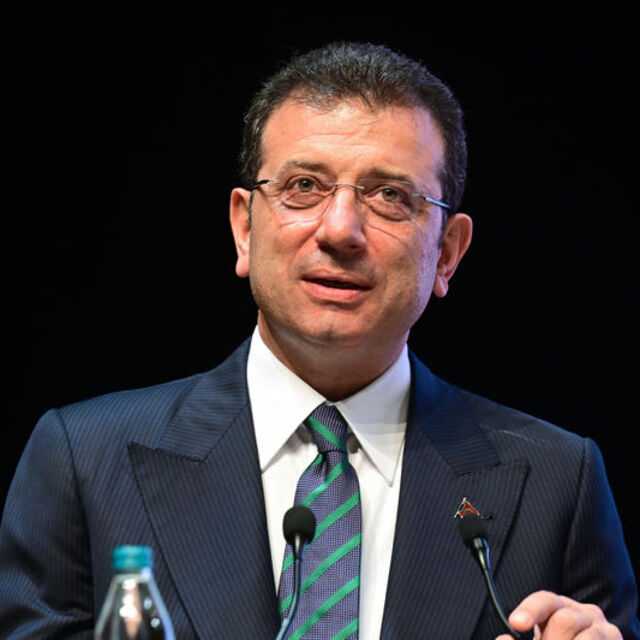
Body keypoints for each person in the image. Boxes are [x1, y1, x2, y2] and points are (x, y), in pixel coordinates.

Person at [0, 42, 637, 639]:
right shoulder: (85, 462)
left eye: (389, 196)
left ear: (447, 253)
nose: (340, 230)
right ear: (244, 228)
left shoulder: (559, 483)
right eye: (304, 186)